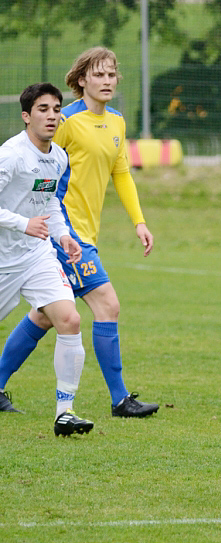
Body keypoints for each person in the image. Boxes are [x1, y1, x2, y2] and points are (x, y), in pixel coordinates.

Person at [0, 47, 158, 418]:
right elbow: (49, 184)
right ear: (81, 80)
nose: (106, 81)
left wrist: (139, 221)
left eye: (112, 75)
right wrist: (59, 231)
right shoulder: (64, 120)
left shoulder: (116, 122)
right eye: (98, 75)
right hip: (63, 234)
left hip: (80, 232)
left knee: (47, 316)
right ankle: (119, 399)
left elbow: (121, 174)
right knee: (107, 304)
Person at [0, 83, 91, 436]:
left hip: (36, 255)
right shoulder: (11, 155)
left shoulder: (58, 156)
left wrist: (63, 235)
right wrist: (24, 224)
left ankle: (65, 412)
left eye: (56, 109)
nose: (52, 116)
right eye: (43, 109)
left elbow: (48, 202)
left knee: (69, 319)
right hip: (4, 257)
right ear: (26, 116)